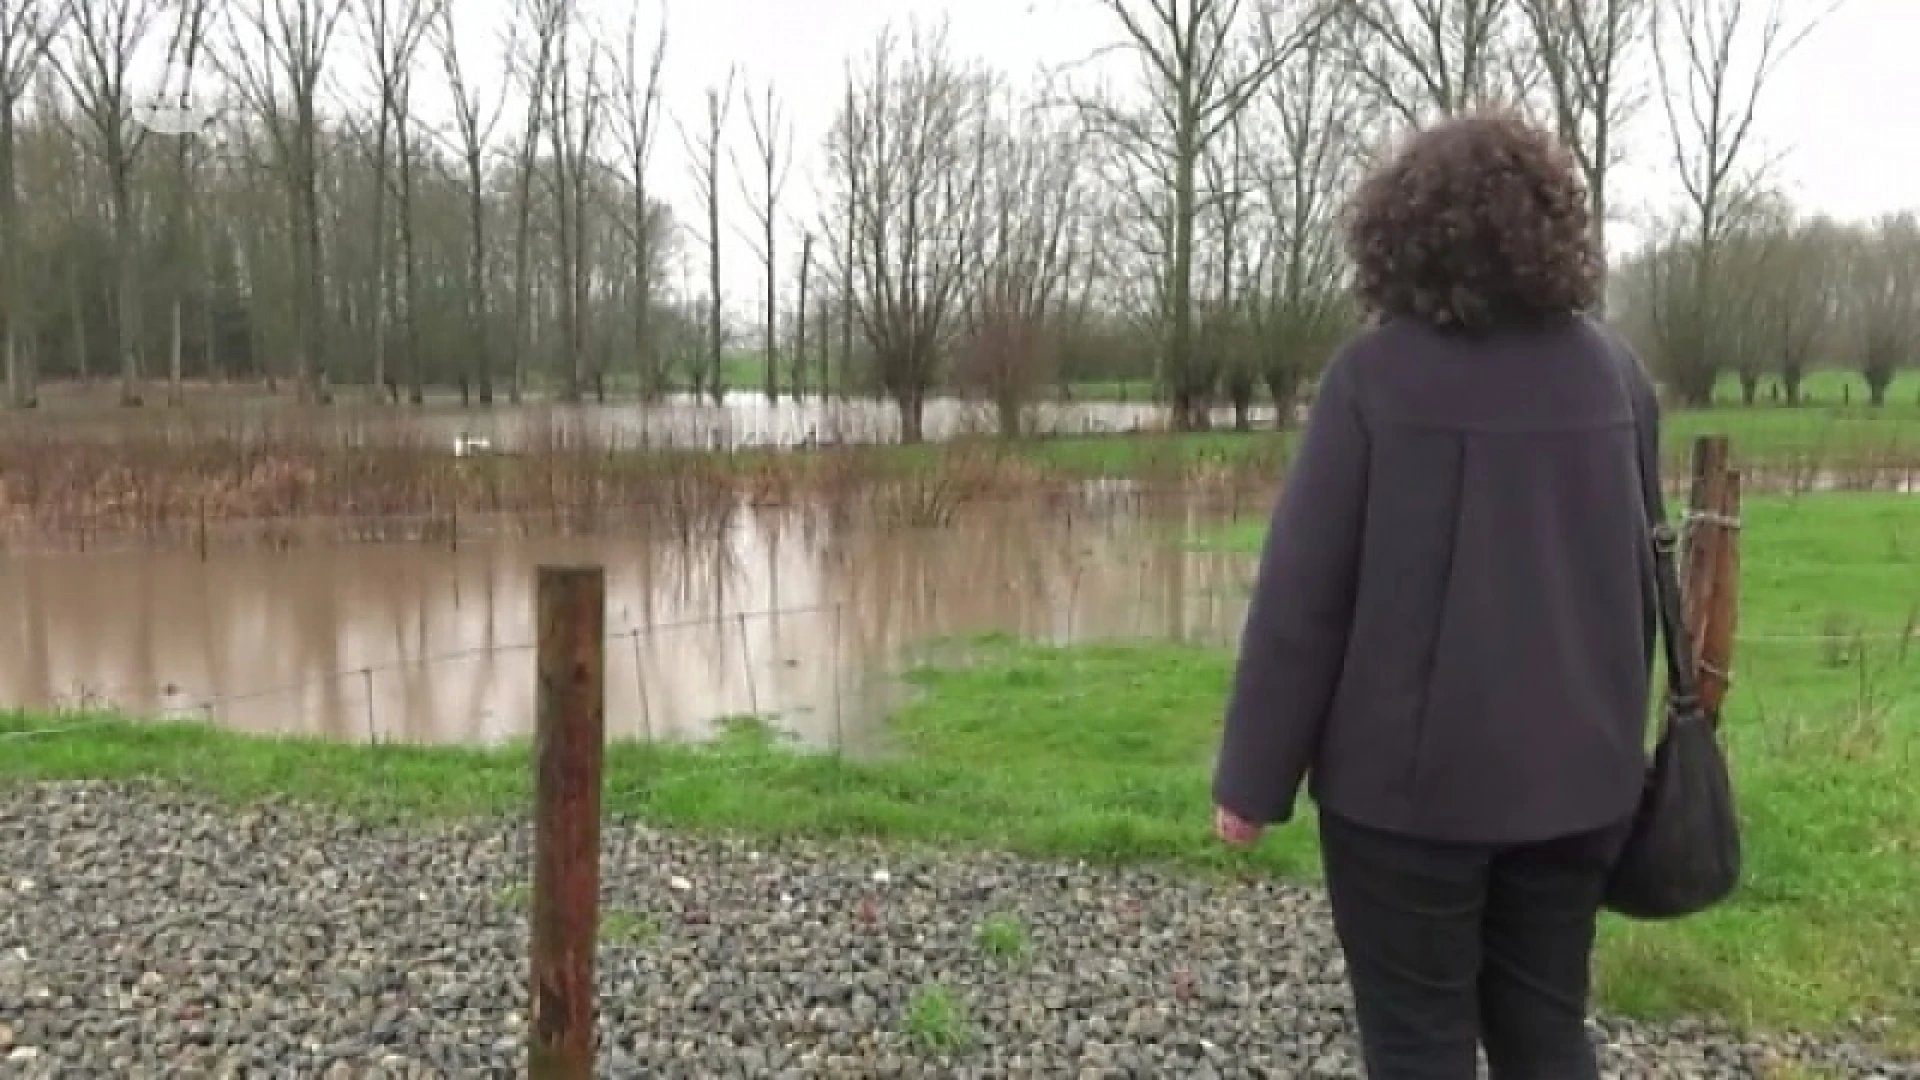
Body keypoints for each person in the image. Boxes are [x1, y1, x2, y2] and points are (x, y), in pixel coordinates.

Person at [1210, 108, 1660, 1080]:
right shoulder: (1616, 376)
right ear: (1555, 229)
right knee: (1547, 1031)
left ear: (1401, 230)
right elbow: (1639, 584)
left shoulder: (1372, 378)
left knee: (1417, 1044)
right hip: (1578, 787)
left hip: (1404, 803)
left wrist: (1252, 781)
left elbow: (1303, 598)